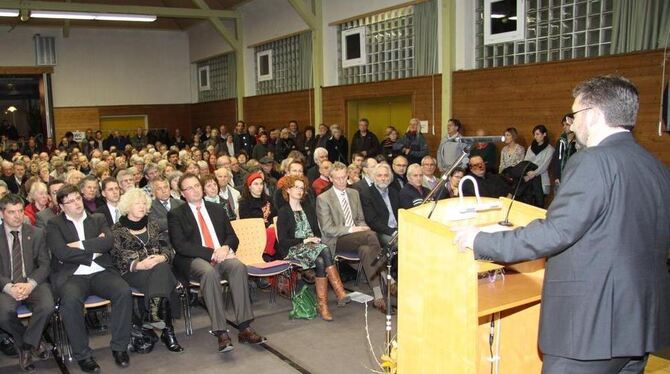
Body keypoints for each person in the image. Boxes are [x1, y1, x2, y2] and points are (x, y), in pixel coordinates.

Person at [455, 75, 670, 373]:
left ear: (594, 115)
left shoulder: (593, 161)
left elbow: (556, 231)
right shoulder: (656, 167)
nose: (570, 123)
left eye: (574, 115)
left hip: (589, 329)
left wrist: (480, 240)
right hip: (639, 324)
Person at [168, 173, 266, 353]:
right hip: (194, 259)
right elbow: (181, 245)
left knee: (237, 266)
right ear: (182, 193)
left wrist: (225, 248)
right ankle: (221, 331)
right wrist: (212, 252)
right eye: (189, 188)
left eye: (197, 185)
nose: (195, 190)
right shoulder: (176, 214)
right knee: (209, 273)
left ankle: (244, 327)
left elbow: (232, 237)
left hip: (221, 255)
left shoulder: (216, 208)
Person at [47, 184, 132, 372]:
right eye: (70, 201)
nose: (76, 203)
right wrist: (93, 251)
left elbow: (108, 242)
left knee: (123, 291)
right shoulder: (54, 224)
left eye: (78, 198)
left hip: (101, 271)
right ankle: (83, 355)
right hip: (73, 276)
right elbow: (61, 252)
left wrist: (78, 245)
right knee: (70, 301)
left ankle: (119, 347)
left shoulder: (98, 218)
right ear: (61, 206)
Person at [110, 188, 183, 353]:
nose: (142, 206)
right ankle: (166, 330)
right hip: (133, 272)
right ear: (128, 206)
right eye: (137, 203)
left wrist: (161, 258)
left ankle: (158, 319)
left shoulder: (153, 224)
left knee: (162, 268)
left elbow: (167, 247)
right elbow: (115, 257)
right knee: (165, 276)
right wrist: (138, 264)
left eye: (144, 203)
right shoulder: (116, 229)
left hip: (157, 269)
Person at [316, 162, 388, 312]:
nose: (342, 181)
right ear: (331, 179)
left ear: (347, 175)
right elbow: (327, 229)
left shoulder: (354, 193)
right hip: (336, 240)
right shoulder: (324, 198)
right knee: (371, 235)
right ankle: (386, 275)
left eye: (344, 177)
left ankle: (378, 297)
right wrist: (353, 229)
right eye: (338, 178)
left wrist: (362, 227)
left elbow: (360, 218)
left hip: (358, 238)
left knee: (366, 250)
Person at [276, 175, 350, 321]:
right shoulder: (283, 212)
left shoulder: (308, 208)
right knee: (325, 250)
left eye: (302, 188)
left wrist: (313, 239)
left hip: (312, 247)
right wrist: (305, 240)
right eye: (296, 187)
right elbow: (283, 241)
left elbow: (317, 231)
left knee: (322, 261)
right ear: (288, 190)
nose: (299, 190)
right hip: (294, 249)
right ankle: (339, 291)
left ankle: (323, 305)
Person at [0, 194, 53, 371]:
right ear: (2, 214)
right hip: (7, 286)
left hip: (33, 282)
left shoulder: (36, 233)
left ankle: (26, 347)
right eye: (11, 212)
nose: (17, 216)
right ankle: (31, 342)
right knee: (3, 314)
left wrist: (30, 284)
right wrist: (8, 287)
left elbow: (45, 264)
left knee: (47, 307)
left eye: (20, 211)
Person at [362, 163, 399, 248]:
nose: (383, 179)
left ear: (390, 178)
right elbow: (372, 221)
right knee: (399, 245)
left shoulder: (394, 192)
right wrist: (393, 232)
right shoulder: (367, 194)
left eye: (386, 175)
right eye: (379, 175)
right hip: (381, 232)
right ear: (374, 177)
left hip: (397, 229)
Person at [523, 125, 555, 200]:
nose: (535, 136)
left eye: (537, 134)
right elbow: (525, 161)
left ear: (544, 134)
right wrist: (528, 172)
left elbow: (545, 165)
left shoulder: (550, 149)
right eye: (534, 134)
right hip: (529, 179)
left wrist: (534, 173)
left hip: (542, 179)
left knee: (540, 203)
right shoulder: (531, 147)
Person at [553, 115, 578, 188]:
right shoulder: (561, 141)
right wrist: (557, 176)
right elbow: (556, 159)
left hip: (574, 177)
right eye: (563, 125)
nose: (564, 127)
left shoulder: (579, 141)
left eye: (567, 124)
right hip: (561, 177)